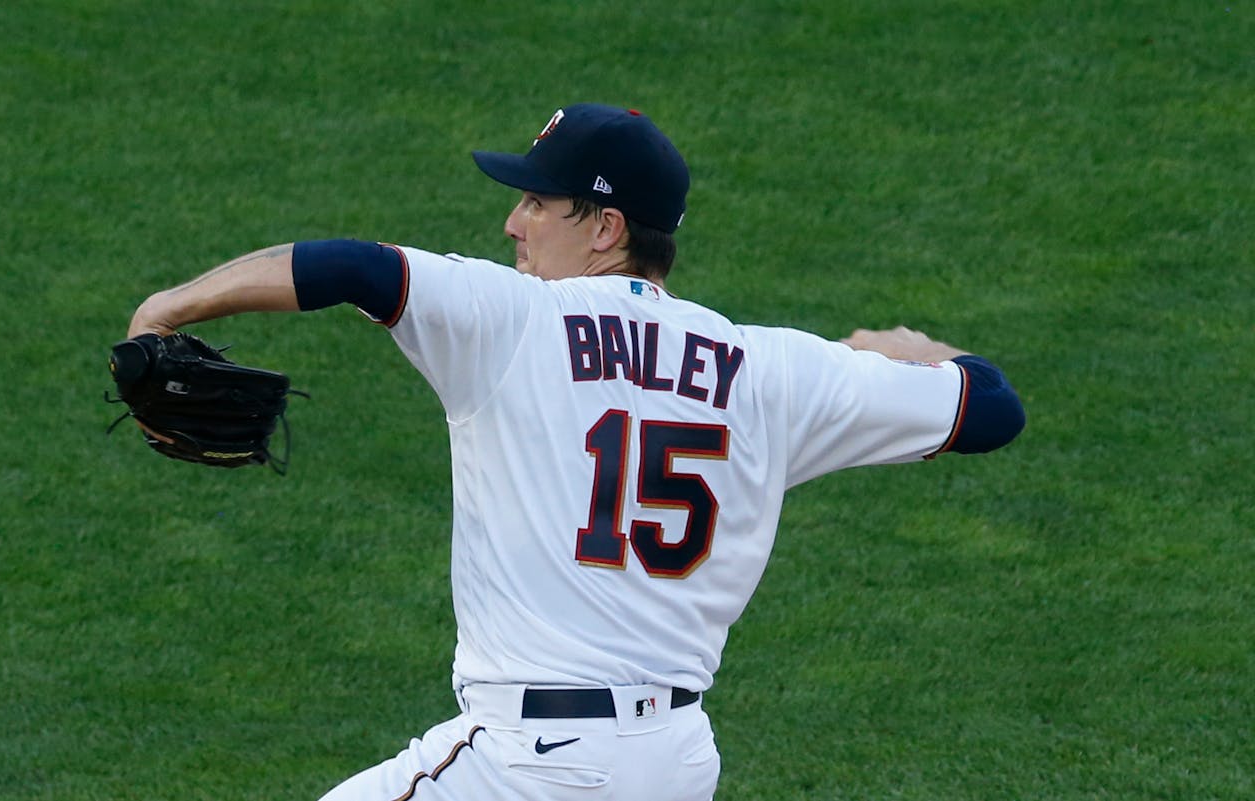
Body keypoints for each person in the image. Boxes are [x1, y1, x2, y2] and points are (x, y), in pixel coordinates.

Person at [126, 103, 1025, 800]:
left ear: (605, 228)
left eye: (536, 202)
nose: (514, 224)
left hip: (529, 765)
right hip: (672, 764)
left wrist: (165, 307)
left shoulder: (512, 320)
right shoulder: (772, 367)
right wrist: (920, 352)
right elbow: (991, 409)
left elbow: (352, 266)